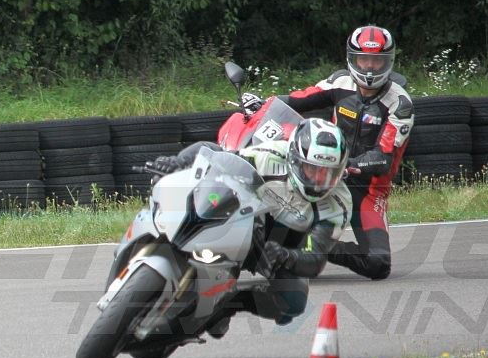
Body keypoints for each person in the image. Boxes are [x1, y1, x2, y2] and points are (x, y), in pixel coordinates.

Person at [148, 117, 351, 328]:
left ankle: (228, 305)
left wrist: (287, 256)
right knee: (210, 148)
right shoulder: (269, 156)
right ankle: (165, 223)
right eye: (312, 169)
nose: (318, 181)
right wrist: (180, 164)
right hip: (244, 221)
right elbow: (221, 160)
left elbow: (316, 257)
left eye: (328, 173)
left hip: (276, 249)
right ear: (295, 159)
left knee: (293, 302)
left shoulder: (339, 204)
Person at [274, 25, 414, 280]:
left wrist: (345, 165)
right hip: (324, 174)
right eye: (364, 59)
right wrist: (263, 104)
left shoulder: (400, 104)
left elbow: (383, 158)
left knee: (378, 263)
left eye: (376, 60)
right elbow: (298, 99)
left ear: (389, 62)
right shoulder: (340, 83)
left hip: (368, 188)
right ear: (352, 59)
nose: (369, 67)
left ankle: (321, 246)